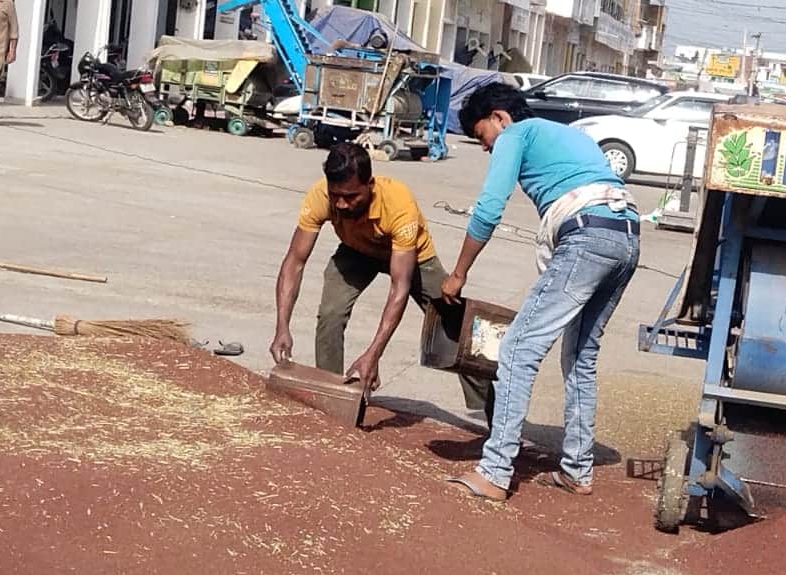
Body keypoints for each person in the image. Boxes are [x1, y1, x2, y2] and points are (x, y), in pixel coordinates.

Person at [441, 82, 640, 501]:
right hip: (626, 234)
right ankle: (577, 470)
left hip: (586, 236)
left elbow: (489, 208)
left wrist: (458, 273)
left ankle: (495, 471)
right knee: (581, 355)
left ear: (499, 117)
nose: (485, 147)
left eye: (482, 136)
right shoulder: (568, 134)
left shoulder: (515, 134)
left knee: (518, 348)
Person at [270, 142, 494, 421]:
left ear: (370, 185)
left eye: (351, 196)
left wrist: (373, 353)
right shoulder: (320, 196)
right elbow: (294, 261)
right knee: (330, 314)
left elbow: (400, 288)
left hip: (412, 257)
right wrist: (282, 326)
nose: (341, 204)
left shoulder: (398, 204)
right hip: (356, 250)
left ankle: (495, 416)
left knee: (456, 325)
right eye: (335, 195)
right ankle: (332, 398)